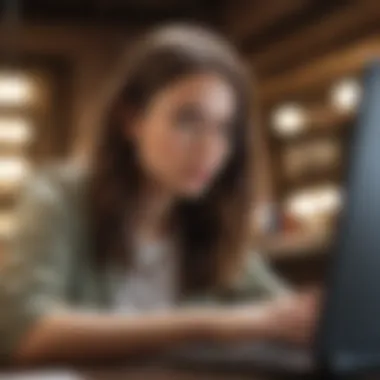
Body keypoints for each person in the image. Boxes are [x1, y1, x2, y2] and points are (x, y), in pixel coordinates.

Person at [0, 24, 318, 365]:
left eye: (224, 128)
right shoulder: (57, 196)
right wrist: (212, 325)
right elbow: (24, 331)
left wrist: (316, 316)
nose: (208, 149)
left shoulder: (207, 225)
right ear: (131, 119)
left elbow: (282, 314)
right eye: (187, 120)